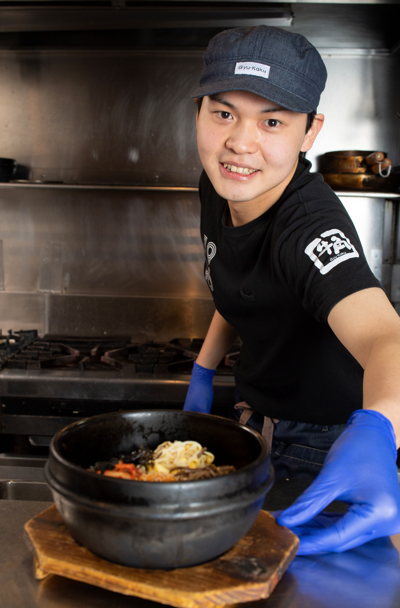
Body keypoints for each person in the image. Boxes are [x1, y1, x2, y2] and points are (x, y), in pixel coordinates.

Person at [183, 25, 400, 555]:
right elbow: (240, 285)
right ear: (198, 113)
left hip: (330, 448)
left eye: (272, 121)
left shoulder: (308, 225)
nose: (240, 143)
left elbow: (385, 337)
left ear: (309, 133)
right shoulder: (221, 184)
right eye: (224, 113)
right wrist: (204, 370)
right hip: (257, 423)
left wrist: (377, 431)